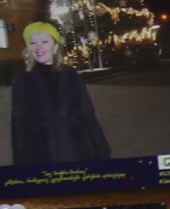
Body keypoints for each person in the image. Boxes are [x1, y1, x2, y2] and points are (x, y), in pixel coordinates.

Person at [12, 24, 112, 167]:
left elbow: (88, 115)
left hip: (77, 151)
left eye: (44, 41)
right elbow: (18, 126)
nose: (38, 47)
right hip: (40, 155)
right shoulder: (22, 82)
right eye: (32, 42)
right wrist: (19, 166)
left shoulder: (71, 76)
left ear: (55, 47)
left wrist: (102, 152)